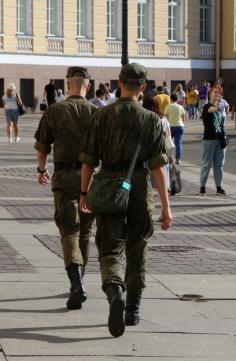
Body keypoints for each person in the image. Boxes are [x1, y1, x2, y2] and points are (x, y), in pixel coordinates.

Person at [79, 62, 172, 337]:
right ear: (143, 87)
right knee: (138, 247)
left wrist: (84, 193)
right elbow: (159, 168)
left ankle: (114, 289)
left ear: (120, 82)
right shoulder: (152, 120)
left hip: (108, 185)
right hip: (140, 186)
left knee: (109, 248)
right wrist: (167, 207)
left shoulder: (100, 116)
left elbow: (87, 161)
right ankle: (132, 309)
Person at [34, 67, 97, 310]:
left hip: (63, 178)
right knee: (84, 232)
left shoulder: (55, 111)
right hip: (90, 179)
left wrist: (41, 170)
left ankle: (76, 283)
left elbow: (42, 147)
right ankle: (80, 281)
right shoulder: (96, 113)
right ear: (87, 86)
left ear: (67, 84)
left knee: (69, 231)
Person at [199, 87, 227, 195]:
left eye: (219, 93)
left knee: (219, 165)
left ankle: (219, 186)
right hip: (209, 139)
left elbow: (221, 123)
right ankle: (202, 187)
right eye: (215, 92)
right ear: (210, 94)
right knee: (206, 164)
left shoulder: (220, 109)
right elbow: (211, 110)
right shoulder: (207, 106)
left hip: (220, 139)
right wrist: (218, 106)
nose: (217, 95)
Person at [164, 94, 186, 162]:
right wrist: (183, 124)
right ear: (177, 99)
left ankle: (169, 157)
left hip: (170, 127)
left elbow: (166, 117)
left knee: (168, 143)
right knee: (178, 143)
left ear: (170, 99)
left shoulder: (168, 106)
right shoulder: (180, 107)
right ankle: (178, 159)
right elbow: (183, 118)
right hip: (179, 126)